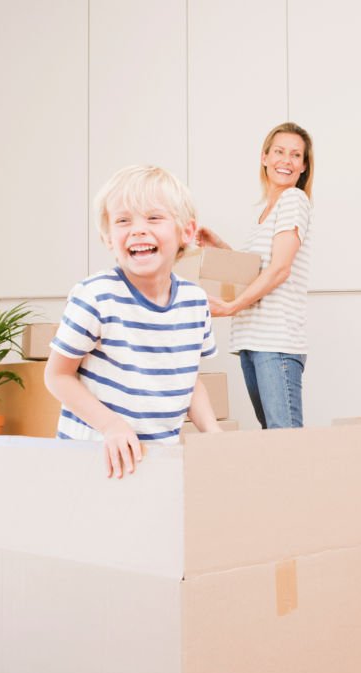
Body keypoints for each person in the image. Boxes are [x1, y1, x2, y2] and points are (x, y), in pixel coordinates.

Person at [44, 165, 222, 478]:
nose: (138, 230)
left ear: (187, 232)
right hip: (92, 459)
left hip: (156, 461)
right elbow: (57, 376)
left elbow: (189, 380)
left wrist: (213, 434)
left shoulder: (195, 303)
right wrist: (111, 426)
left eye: (154, 218)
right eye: (123, 220)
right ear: (108, 237)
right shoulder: (95, 295)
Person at [197, 122, 313, 429]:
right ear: (264, 157)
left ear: (303, 166)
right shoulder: (266, 212)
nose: (285, 161)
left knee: (283, 438)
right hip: (253, 339)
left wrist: (230, 307)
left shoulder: (293, 200)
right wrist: (220, 246)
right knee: (272, 438)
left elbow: (279, 269)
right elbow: (256, 271)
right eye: (279, 152)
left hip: (276, 341)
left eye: (295, 155)